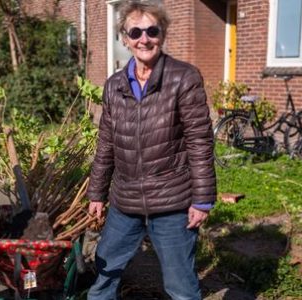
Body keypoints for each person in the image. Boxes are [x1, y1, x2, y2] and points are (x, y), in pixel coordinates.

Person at [86, 1, 216, 299]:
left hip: (172, 202)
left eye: (152, 30)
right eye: (135, 32)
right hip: (125, 201)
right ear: (125, 38)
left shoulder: (184, 78)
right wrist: (96, 193)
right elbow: (106, 143)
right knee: (103, 276)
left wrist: (203, 199)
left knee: (181, 288)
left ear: (163, 34)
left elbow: (199, 141)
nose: (144, 39)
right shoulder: (114, 86)